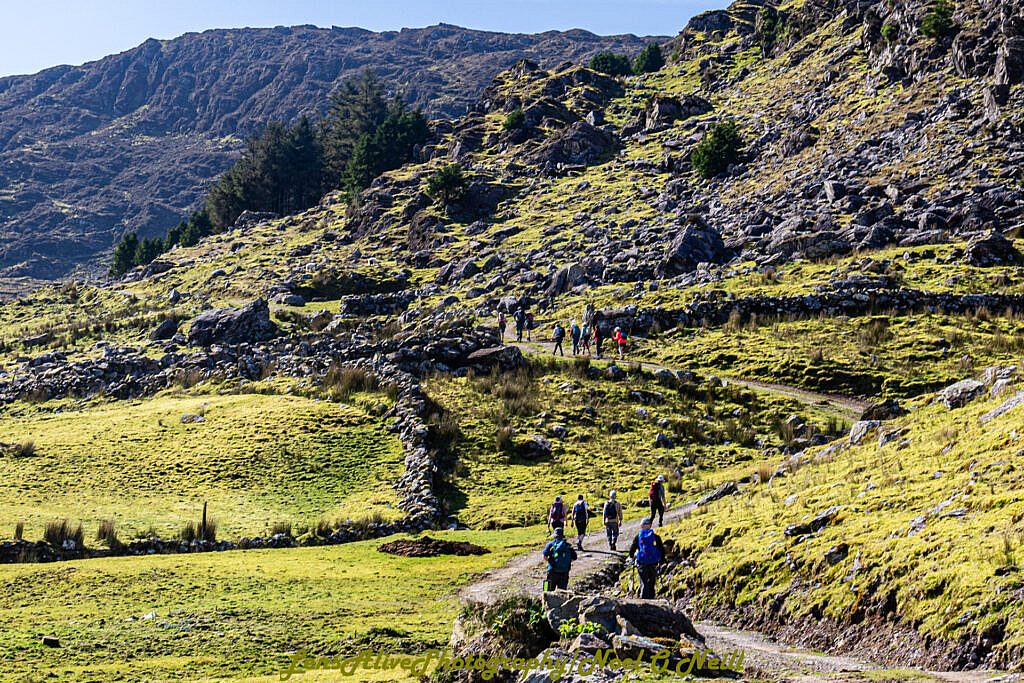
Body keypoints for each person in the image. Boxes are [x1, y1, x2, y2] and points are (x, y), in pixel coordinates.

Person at [628, 517, 665, 599]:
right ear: (650, 526)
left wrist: (631, 557)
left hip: (642, 562)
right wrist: (662, 560)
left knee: (644, 582)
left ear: (641, 526)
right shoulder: (655, 537)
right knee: (652, 581)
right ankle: (652, 599)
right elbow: (661, 549)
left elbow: (632, 550)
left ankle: (644, 600)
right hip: (654, 562)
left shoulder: (638, 537)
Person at [542, 527, 578, 591]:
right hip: (564, 572)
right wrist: (565, 563)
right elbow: (574, 557)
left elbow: (544, 556)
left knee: (547, 589)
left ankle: (543, 597)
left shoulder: (550, 544)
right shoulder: (568, 545)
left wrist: (550, 561)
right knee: (562, 593)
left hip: (552, 570)